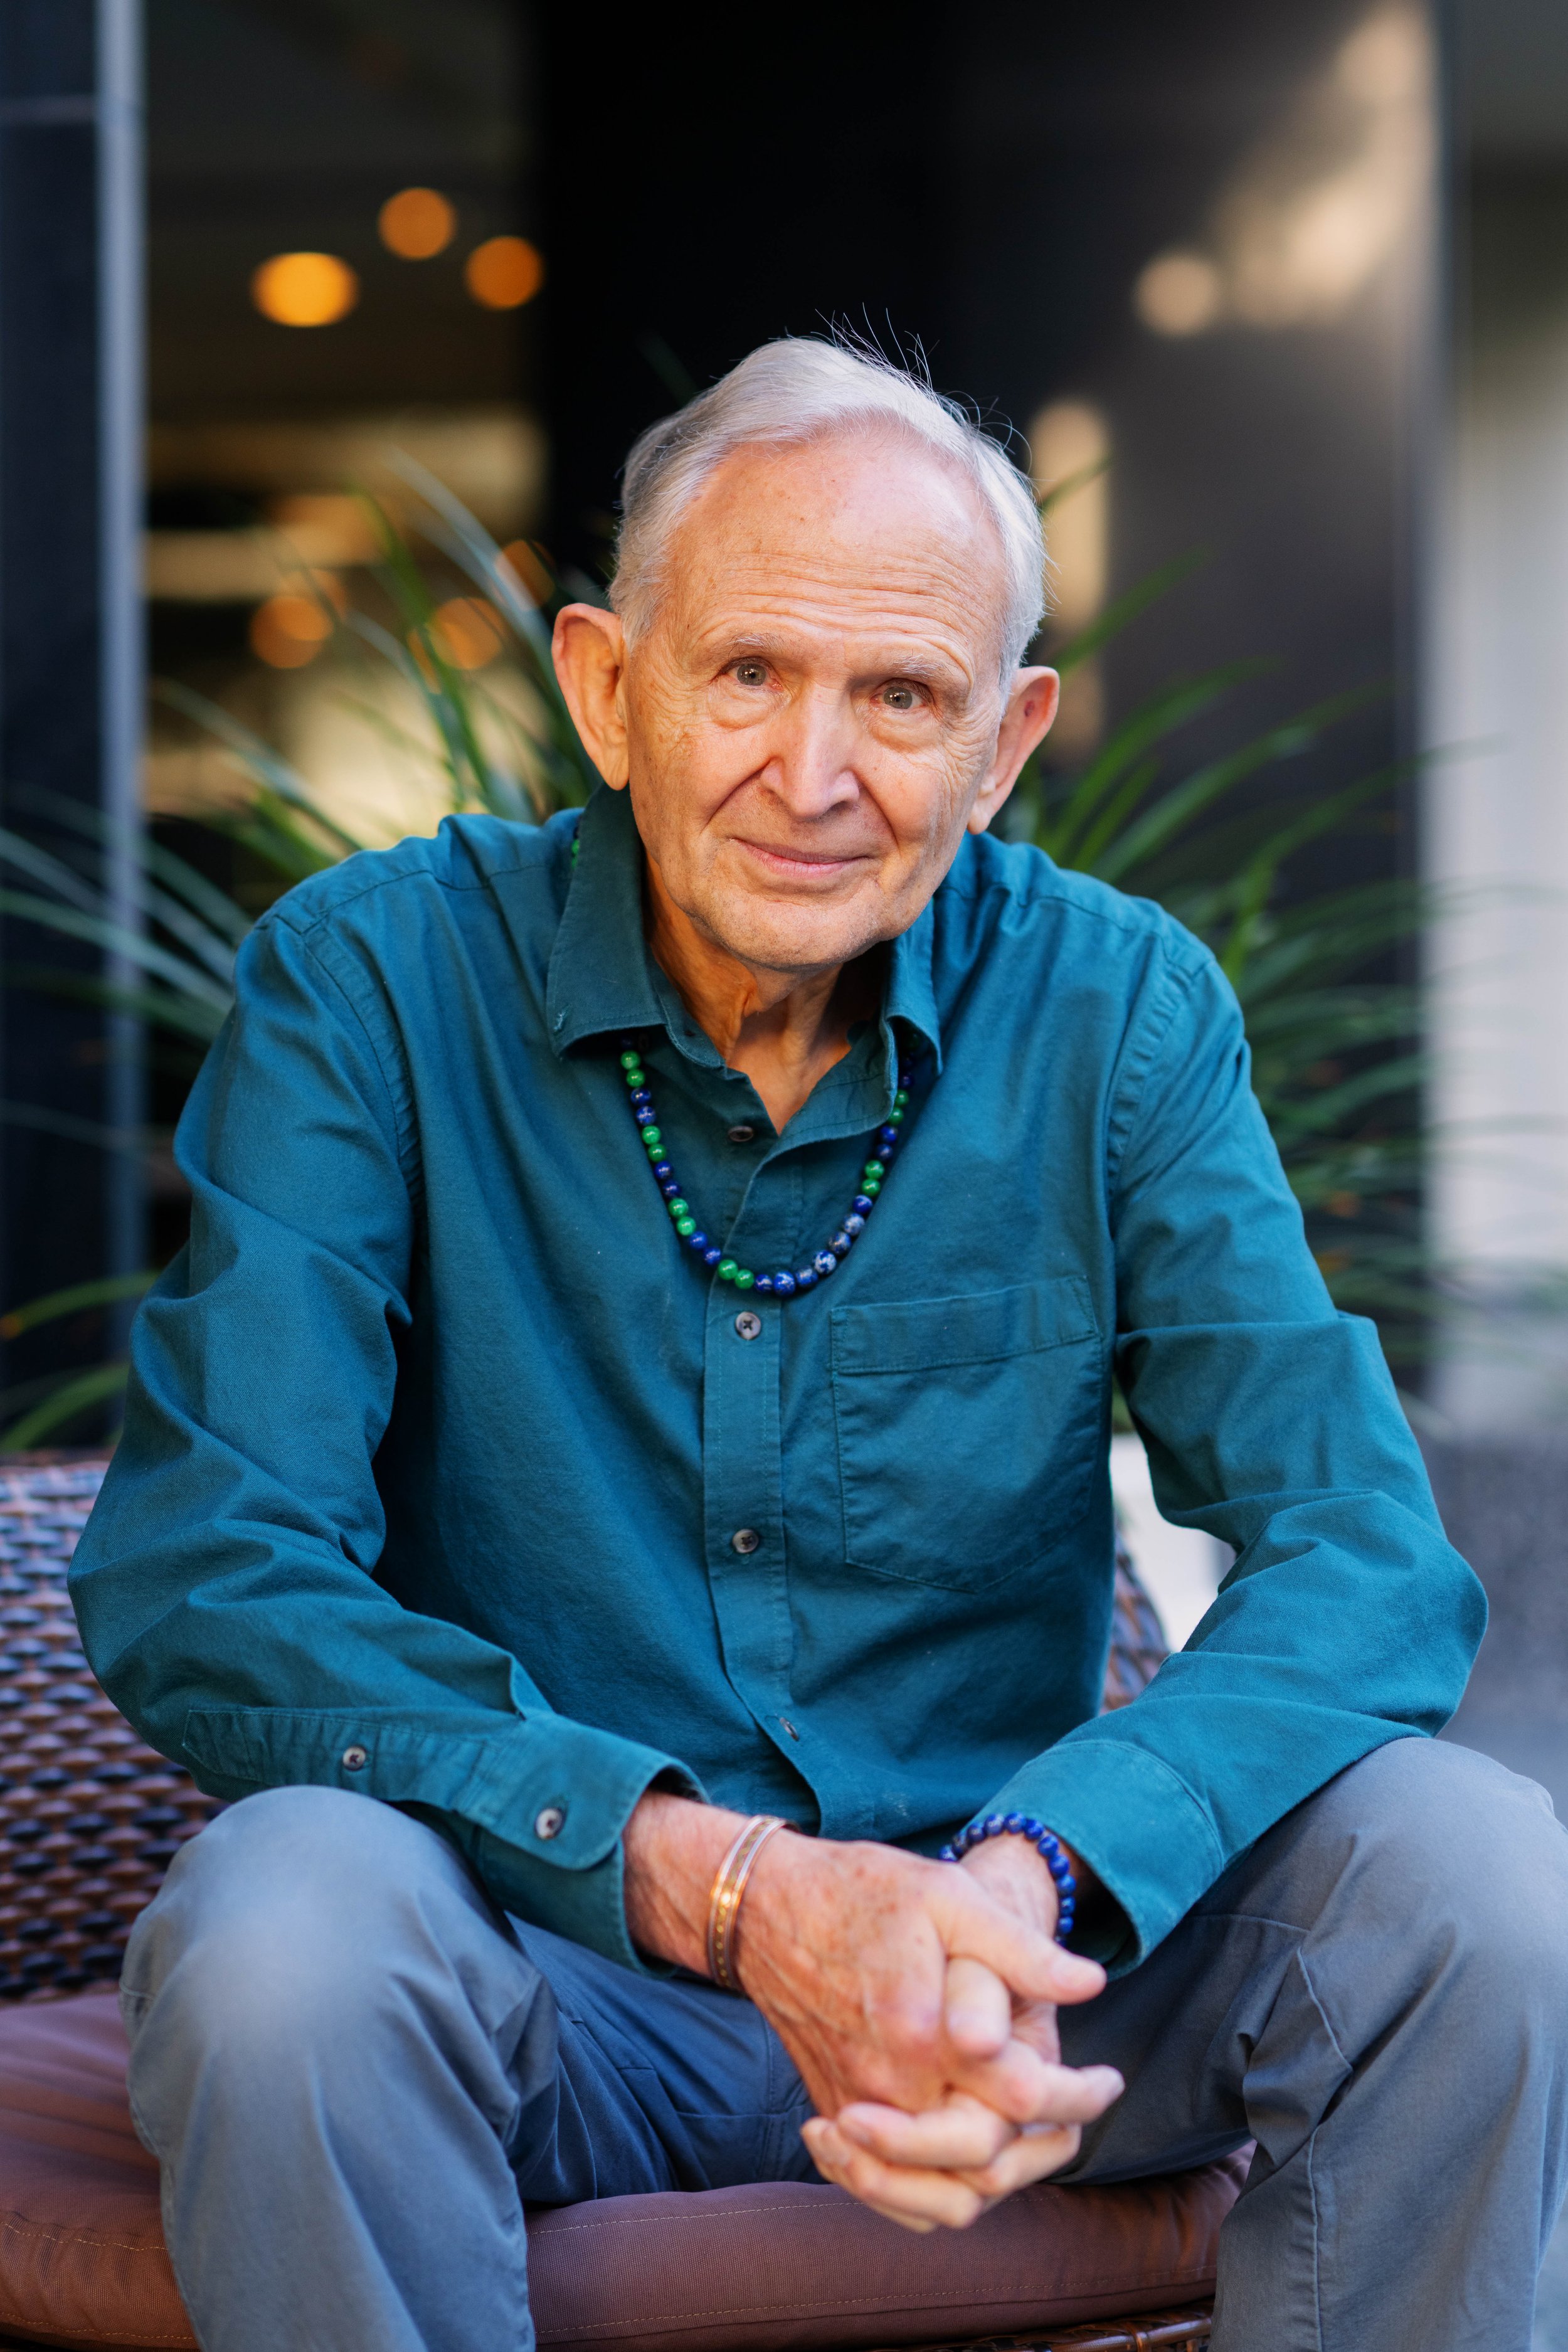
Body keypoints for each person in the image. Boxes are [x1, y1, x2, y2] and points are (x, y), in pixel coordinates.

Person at [72, 338, 1567, 2352]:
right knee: (284, 1942)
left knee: (1469, 1867)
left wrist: (1023, 1888)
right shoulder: (373, 986)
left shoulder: (1115, 1012)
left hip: (1022, 1983)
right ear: (608, 688)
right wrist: (741, 1892)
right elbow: (209, 1574)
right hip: (550, 1976)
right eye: (747, 674)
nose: (813, 776)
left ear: (1002, 741)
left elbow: (1361, 1560)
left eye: (902, 698)